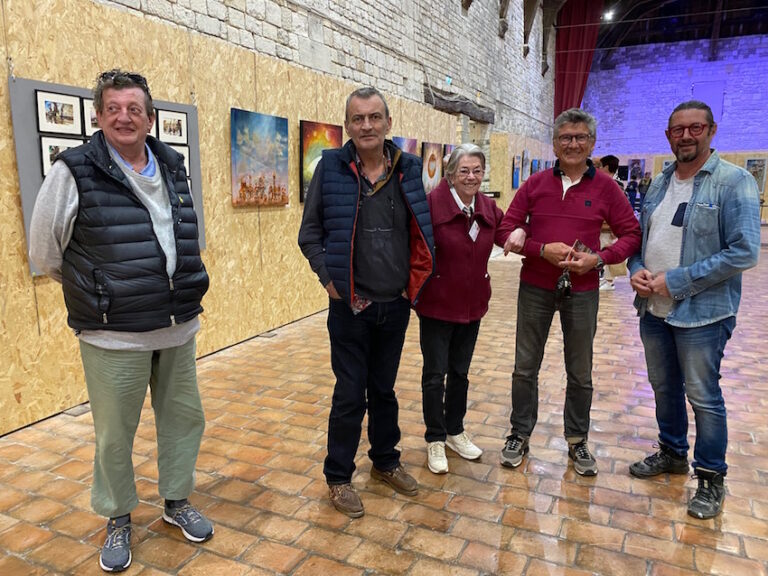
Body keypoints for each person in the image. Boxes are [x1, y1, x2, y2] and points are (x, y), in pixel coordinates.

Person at [29, 69, 212, 572]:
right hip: (113, 334)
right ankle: (118, 517)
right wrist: (99, 290)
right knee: (115, 435)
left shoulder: (173, 166)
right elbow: (45, 251)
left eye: (134, 108)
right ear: (98, 116)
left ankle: (176, 503)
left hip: (176, 325)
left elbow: (187, 233)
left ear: (150, 118)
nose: (124, 117)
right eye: (113, 108)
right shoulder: (73, 171)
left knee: (182, 421)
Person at [298, 86, 434, 518]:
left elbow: (422, 230)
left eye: (375, 117)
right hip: (349, 306)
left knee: (384, 390)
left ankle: (385, 462)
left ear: (388, 123)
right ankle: (338, 477)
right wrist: (329, 279)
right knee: (349, 394)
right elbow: (310, 234)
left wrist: (414, 285)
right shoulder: (331, 167)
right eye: (358, 119)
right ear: (348, 126)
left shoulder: (409, 168)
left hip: (394, 304)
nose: (367, 126)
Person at [628, 100, 760, 519]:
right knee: (664, 387)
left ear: (711, 130)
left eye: (695, 128)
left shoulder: (733, 181)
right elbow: (640, 240)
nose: (686, 136)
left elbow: (743, 251)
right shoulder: (659, 183)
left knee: (703, 396)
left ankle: (710, 478)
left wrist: (678, 280)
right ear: (668, 135)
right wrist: (636, 269)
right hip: (654, 308)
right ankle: (671, 452)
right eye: (677, 130)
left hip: (703, 313)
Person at [498, 108, 641, 476]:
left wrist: (598, 260)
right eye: (566, 138)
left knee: (580, 371)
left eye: (580, 138)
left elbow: (631, 234)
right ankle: (519, 433)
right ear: (555, 144)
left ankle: (577, 440)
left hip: (583, 289)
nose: (573, 144)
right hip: (535, 287)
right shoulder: (535, 184)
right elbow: (506, 229)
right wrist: (538, 249)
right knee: (524, 367)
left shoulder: (608, 188)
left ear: (592, 143)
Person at [414, 144, 509, 474]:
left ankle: (454, 430)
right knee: (434, 374)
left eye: (477, 171)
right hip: (437, 305)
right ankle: (435, 437)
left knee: (460, 373)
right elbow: (413, 250)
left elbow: (506, 232)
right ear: (450, 174)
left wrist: (523, 234)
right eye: (464, 171)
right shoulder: (430, 206)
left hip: (472, 305)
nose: (471, 177)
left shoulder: (487, 207)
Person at [596, 155, 630, 290]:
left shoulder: (615, 186)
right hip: (601, 226)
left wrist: (615, 229)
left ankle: (609, 281)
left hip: (608, 227)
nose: (597, 169)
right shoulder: (601, 183)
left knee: (608, 251)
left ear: (606, 167)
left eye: (599, 166)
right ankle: (605, 278)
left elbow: (620, 210)